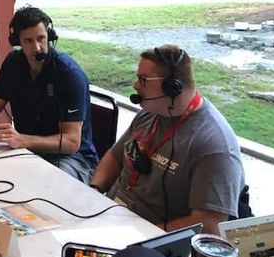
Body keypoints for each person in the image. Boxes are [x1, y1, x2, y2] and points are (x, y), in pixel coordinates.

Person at [89, 44, 245, 235]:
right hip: (111, 216)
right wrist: (94, 191)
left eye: (143, 80)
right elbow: (115, 157)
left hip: (148, 238)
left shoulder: (214, 145)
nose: (135, 85)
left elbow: (207, 223)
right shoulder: (151, 113)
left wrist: (145, 238)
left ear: (172, 87)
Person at [0, 6, 98, 181]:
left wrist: (23, 140)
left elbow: (71, 142)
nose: (37, 48)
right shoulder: (13, 64)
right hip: (27, 149)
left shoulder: (68, 74)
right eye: (29, 41)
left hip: (71, 158)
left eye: (41, 39)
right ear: (18, 42)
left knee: (40, 182)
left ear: (49, 37)